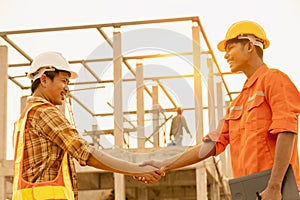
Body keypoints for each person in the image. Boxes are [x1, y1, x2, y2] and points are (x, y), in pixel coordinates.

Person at [138, 20, 300, 200]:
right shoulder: (238, 102)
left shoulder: (274, 79)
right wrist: (164, 164)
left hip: (276, 192)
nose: (226, 56)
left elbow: (287, 130)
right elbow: (211, 144)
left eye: (230, 47)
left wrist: (275, 186)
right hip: (249, 192)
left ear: (249, 46)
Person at [12, 51, 163, 200]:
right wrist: (135, 169)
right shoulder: (45, 113)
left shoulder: (24, 118)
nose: (67, 88)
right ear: (44, 80)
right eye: (64, 81)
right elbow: (85, 153)